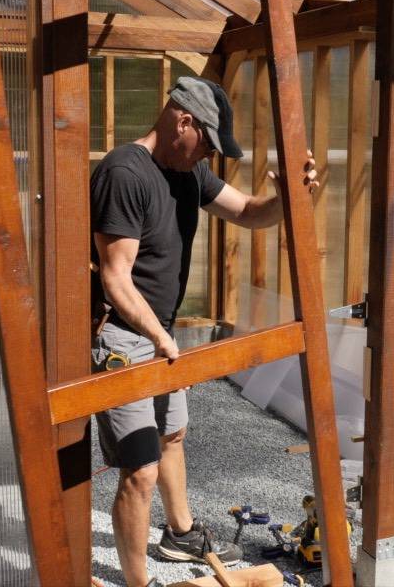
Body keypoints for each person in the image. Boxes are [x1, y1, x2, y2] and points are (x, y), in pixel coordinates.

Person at [90, 75, 316, 587]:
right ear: (182, 121)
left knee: (172, 432)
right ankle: (136, 581)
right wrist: (161, 341)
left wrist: (290, 200)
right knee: (141, 468)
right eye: (206, 143)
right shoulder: (125, 172)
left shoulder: (188, 172)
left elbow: (249, 212)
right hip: (125, 339)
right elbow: (115, 277)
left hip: (159, 336)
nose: (208, 155)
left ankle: (179, 532)